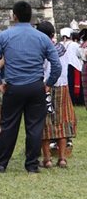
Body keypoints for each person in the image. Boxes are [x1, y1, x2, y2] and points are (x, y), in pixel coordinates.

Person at [0, 0, 62, 174]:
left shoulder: (4, 35)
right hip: (36, 86)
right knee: (34, 127)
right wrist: (48, 84)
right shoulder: (42, 37)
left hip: (14, 86)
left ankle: (0, 163)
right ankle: (32, 164)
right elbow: (56, 64)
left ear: (14, 16)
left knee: (9, 125)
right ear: (31, 17)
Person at [36, 21, 77, 169]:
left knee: (45, 122)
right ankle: (62, 158)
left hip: (44, 87)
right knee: (63, 120)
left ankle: (47, 159)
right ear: (53, 34)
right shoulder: (63, 48)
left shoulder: (40, 50)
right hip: (62, 87)